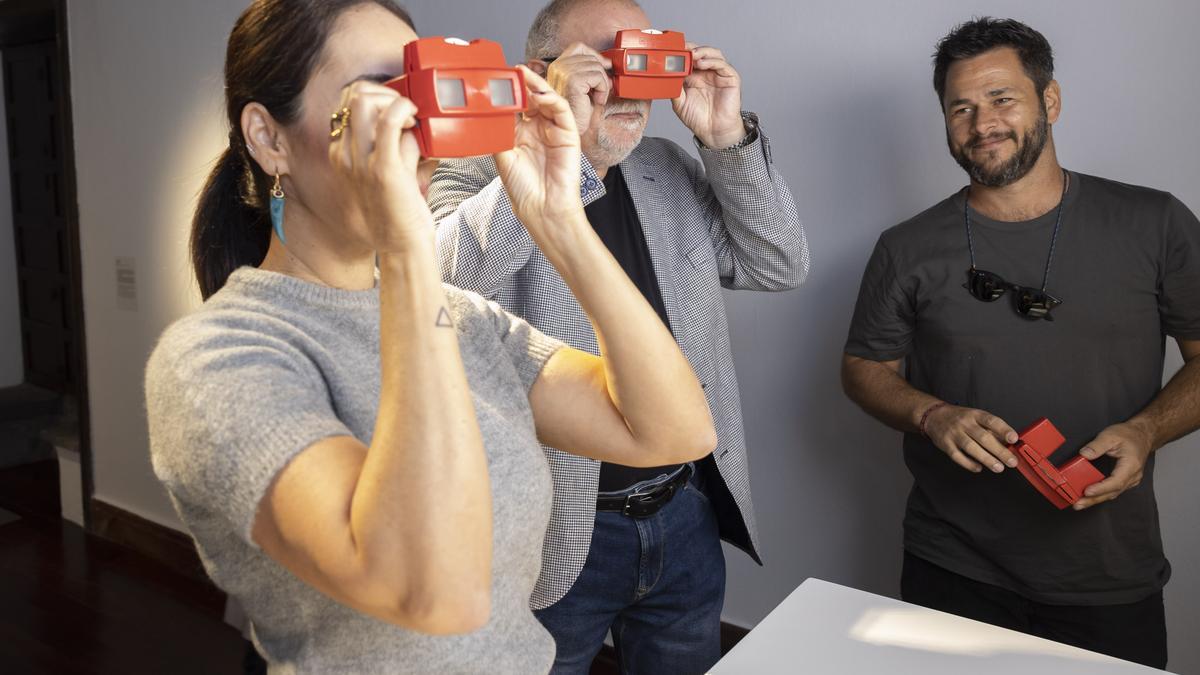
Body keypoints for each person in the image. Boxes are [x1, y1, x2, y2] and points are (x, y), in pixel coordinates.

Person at [144, 1, 716, 672]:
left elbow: (673, 430)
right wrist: (408, 245)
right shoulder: (215, 358)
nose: (416, 126)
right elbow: (436, 592)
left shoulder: (461, 319)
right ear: (269, 138)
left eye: (420, 88)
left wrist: (558, 220)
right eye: (382, 101)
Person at [428, 0, 808, 671]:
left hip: (684, 506)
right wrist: (560, 152)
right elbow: (437, 284)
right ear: (537, 75)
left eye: (641, 60)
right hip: (552, 526)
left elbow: (778, 262)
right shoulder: (481, 172)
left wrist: (727, 139)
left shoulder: (666, 169)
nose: (627, 88)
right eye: (603, 65)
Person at [841, 17, 1200, 669]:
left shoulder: (1156, 222)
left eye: (1002, 98)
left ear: (1050, 100)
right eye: (961, 108)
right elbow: (864, 366)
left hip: (1106, 573)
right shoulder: (906, 247)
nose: (983, 124)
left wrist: (1147, 430)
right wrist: (932, 413)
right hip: (950, 566)